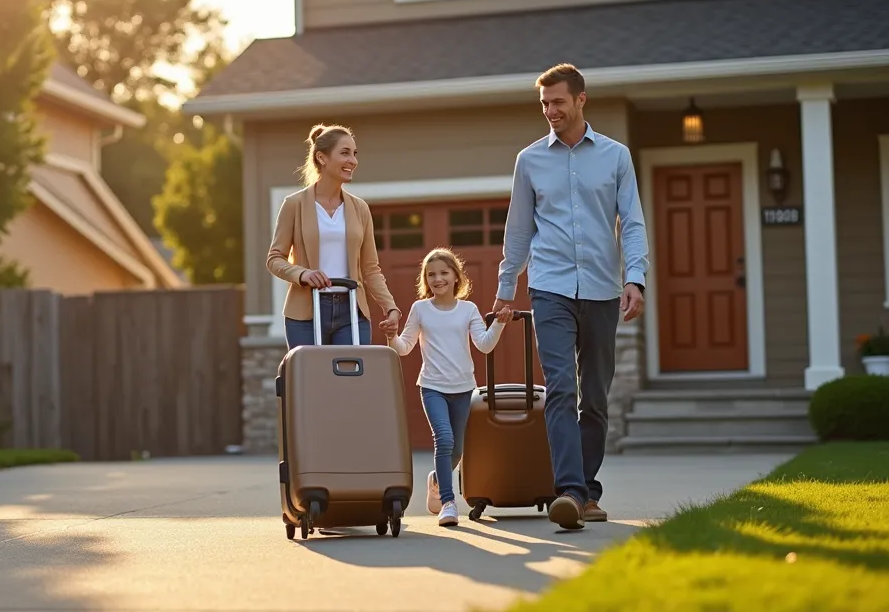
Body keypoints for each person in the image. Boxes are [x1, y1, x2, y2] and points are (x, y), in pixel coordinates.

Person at [492, 63, 650, 531]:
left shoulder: (616, 157)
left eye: (558, 102)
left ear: (581, 100)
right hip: (550, 288)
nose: (550, 111)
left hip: (602, 288)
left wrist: (635, 278)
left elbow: (633, 223)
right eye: (544, 104)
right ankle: (571, 492)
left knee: (595, 395)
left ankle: (587, 488)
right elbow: (517, 231)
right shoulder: (530, 160)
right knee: (561, 387)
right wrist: (505, 289)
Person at [384, 247, 511, 527]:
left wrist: (500, 324)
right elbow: (404, 348)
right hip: (432, 387)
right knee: (444, 439)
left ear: (456, 276)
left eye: (443, 273)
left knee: (457, 450)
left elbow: (485, 344)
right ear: (425, 280)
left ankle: (435, 479)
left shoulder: (469, 310)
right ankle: (448, 502)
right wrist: (392, 337)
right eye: (431, 275)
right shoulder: (420, 309)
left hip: (464, 388)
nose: (437, 279)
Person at [267, 124, 401, 349]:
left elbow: (370, 268)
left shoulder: (360, 209)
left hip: (352, 311)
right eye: (345, 153)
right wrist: (302, 274)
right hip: (305, 315)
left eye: (355, 154)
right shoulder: (293, 205)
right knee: (311, 380)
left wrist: (390, 307)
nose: (353, 161)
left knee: (351, 381)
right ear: (322, 158)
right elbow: (274, 259)